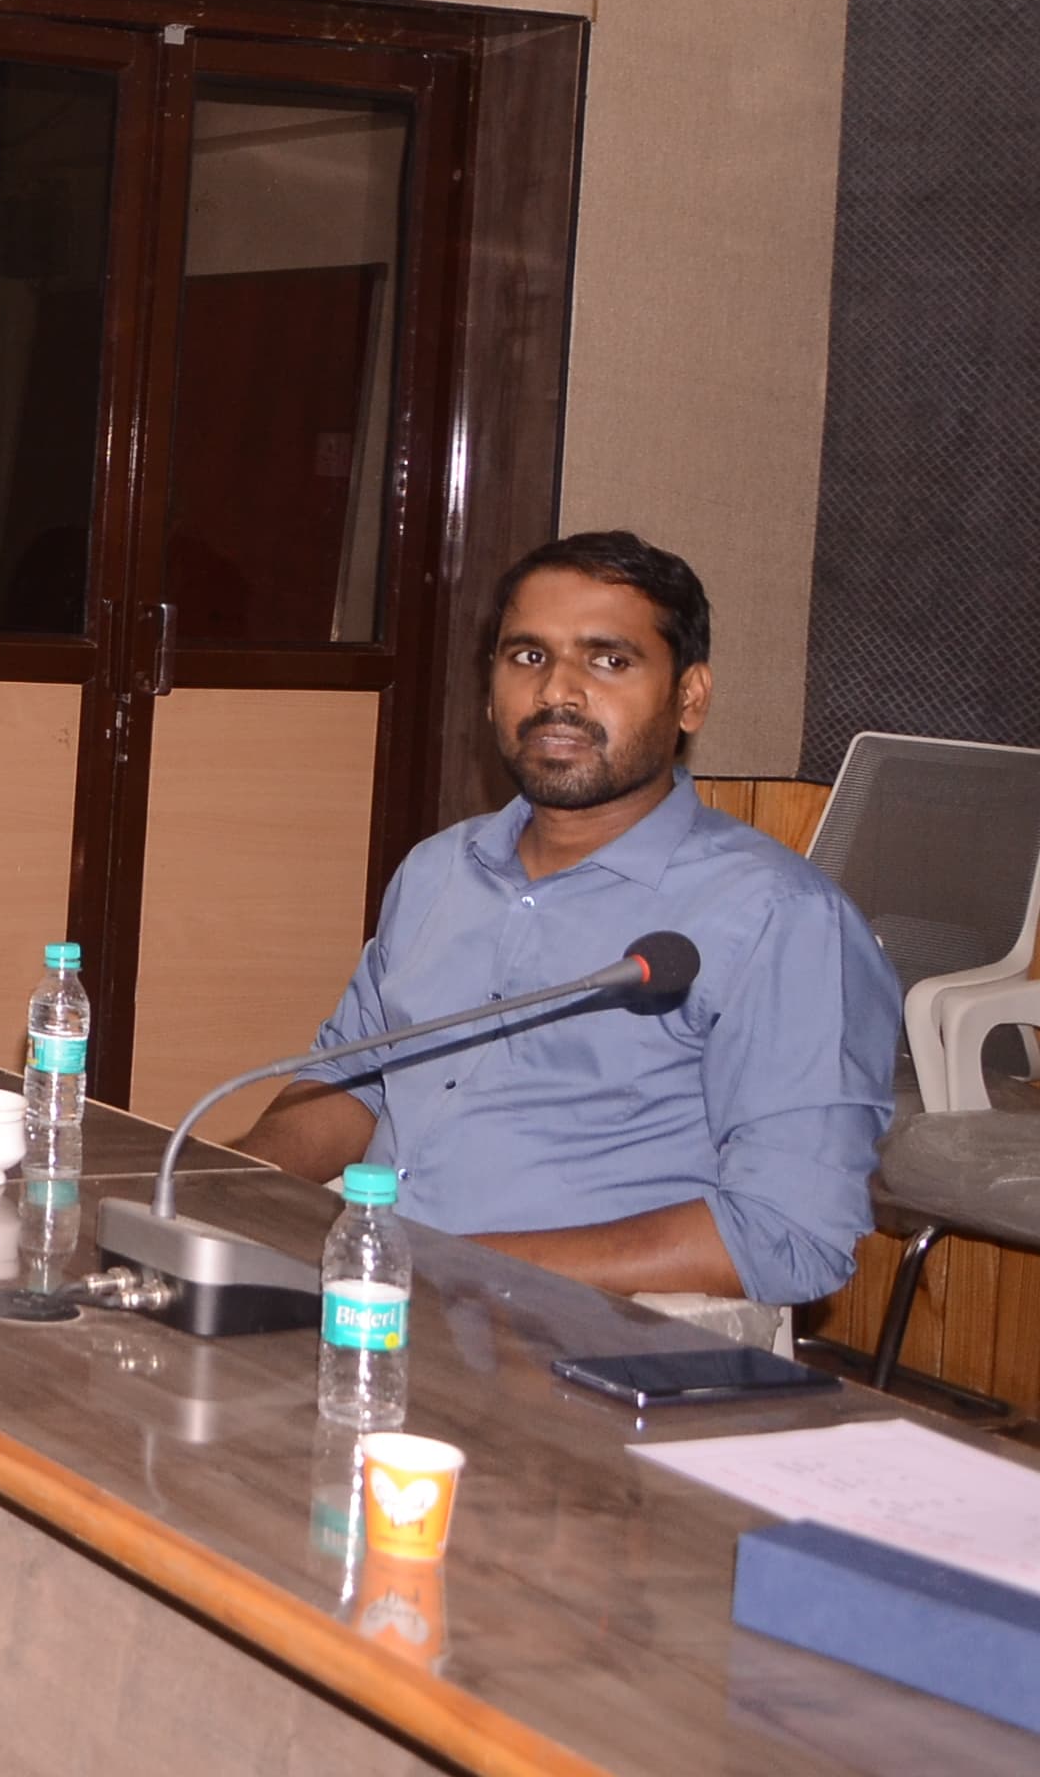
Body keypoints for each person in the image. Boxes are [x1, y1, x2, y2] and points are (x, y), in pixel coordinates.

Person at [242, 532, 896, 1310]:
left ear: (690, 697)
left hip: (583, 1334)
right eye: (528, 656)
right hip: (378, 1300)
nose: (558, 691)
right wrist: (215, 1185)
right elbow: (357, 1084)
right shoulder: (439, 871)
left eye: (609, 660)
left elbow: (791, 1234)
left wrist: (447, 1267)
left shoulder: (778, 919)